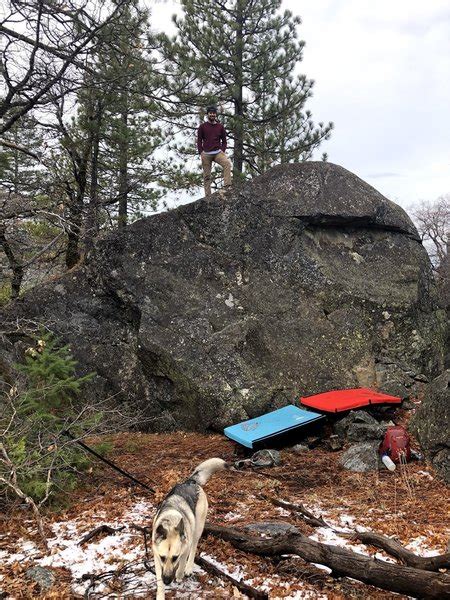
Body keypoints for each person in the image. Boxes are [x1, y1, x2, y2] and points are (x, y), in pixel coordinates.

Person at [197, 106, 232, 197]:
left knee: (227, 164)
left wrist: (222, 151)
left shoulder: (220, 127)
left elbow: (224, 141)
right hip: (206, 154)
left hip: (217, 153)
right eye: (210, 113)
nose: (212, 114)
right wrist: (201, 152)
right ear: (207, 114)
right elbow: (199, 140)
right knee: (207, 176)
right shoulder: (202, 127)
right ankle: (208, 196)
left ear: (216, 115)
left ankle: (227, 186)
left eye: (213, 113)